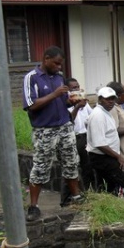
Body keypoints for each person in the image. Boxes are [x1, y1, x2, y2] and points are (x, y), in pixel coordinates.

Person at [23, 46, 84, 221]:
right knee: (41, 167)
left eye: (61, 64)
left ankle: (77, 198)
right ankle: (33, 206)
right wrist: (54, 94)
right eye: (56, 63)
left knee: (71, 162)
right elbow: (31, 105)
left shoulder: (59, 77)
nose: (59, 67)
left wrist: (73, 102)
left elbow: (61, 103)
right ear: (46, 59)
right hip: (45, 130)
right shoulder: (31, 78)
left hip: (64, 126)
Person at [86, 87, 124, 201]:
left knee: (109, 185)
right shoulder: (98, 115)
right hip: (102, 156)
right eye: (107, 99)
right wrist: (119, 157)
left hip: (108, 155)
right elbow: (100, 144)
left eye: (113, 99)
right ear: (100, 99)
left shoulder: (105, 113)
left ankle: (113, 206)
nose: (111, 101)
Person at [60, 77, 94, 206]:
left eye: (78, 87)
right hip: (72, 138)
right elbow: (69, 121)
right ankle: (66, 200)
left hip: (84, 137)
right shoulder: (66, 103)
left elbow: (91, 117)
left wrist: (83, 105)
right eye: (73, 88)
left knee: (87, 168)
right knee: (71, 169)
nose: (77, 90)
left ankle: (87, 195)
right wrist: (76, 107)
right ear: (68, 90)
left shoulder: (83, 103)